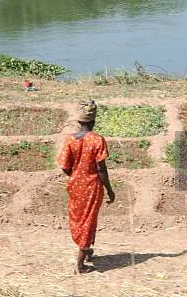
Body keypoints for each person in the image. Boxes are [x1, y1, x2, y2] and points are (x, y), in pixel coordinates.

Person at [57, 100, 115, 274]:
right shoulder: (97, 140)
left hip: (75, 186)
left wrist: (76, 175)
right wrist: (110, 190)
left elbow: (65, 166)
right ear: (93, 121)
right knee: (89, 221)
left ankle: (87, 250)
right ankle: (80, 264)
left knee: (79, 219)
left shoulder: (70, 140)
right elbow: (101, 169)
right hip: (92, 187)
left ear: (79, 121)